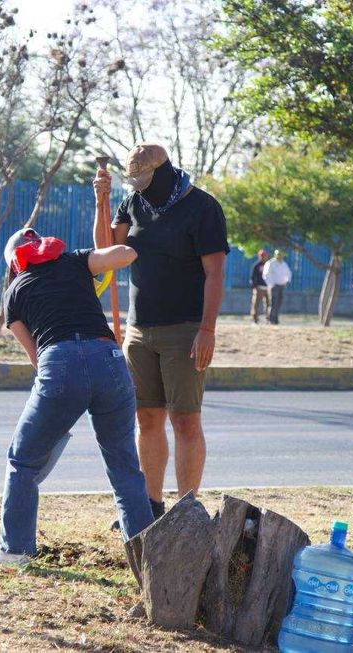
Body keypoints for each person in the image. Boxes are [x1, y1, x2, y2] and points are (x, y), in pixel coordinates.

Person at [0, 227, 153, 566]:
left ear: (13, 264)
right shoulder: (74, 261)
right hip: (111, 362)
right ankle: (147, 557)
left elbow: (37, 360)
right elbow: (126, 255)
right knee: (125, 469)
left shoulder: (13, 292)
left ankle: (15, 549)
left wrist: (53, 414)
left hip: (59, 363)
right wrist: (95, 257)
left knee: (22, 460)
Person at [93, 143, 229, 520]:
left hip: (186, 330)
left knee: (184, 419)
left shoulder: (201, 207)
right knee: (146, 418)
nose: (138, 186)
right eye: (132, 180)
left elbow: (214, 273)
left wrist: (207, 329)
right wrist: (101, 203)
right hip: (139, 330)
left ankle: (187, 511)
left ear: (165, 169)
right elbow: (105, 253)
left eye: (144, 179)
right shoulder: (132, 202)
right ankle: (150, 506)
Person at [262, 249, 292, 325]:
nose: (279, 256)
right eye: (278, 255)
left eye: (280, 255)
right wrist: (271, 284)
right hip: (273, 286)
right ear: (275, 255)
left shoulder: (284, 264)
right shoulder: (270, 263)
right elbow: (266, 275)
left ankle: (275, 319)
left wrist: (286, 281)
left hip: (281, 286)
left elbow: (288, 273)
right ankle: (270, 319)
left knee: (279, 303)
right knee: (273, 303)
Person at [250, 250, 269, 323]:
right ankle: (254, 318)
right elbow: (252, 277)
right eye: (262, 256)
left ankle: (268, 318)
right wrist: (255, 286)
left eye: (264, 256)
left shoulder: (268, 264)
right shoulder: (256, 265)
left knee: (268, 303)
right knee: (256, 303)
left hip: (267, 287)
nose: (263, 258)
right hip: (259, 287)